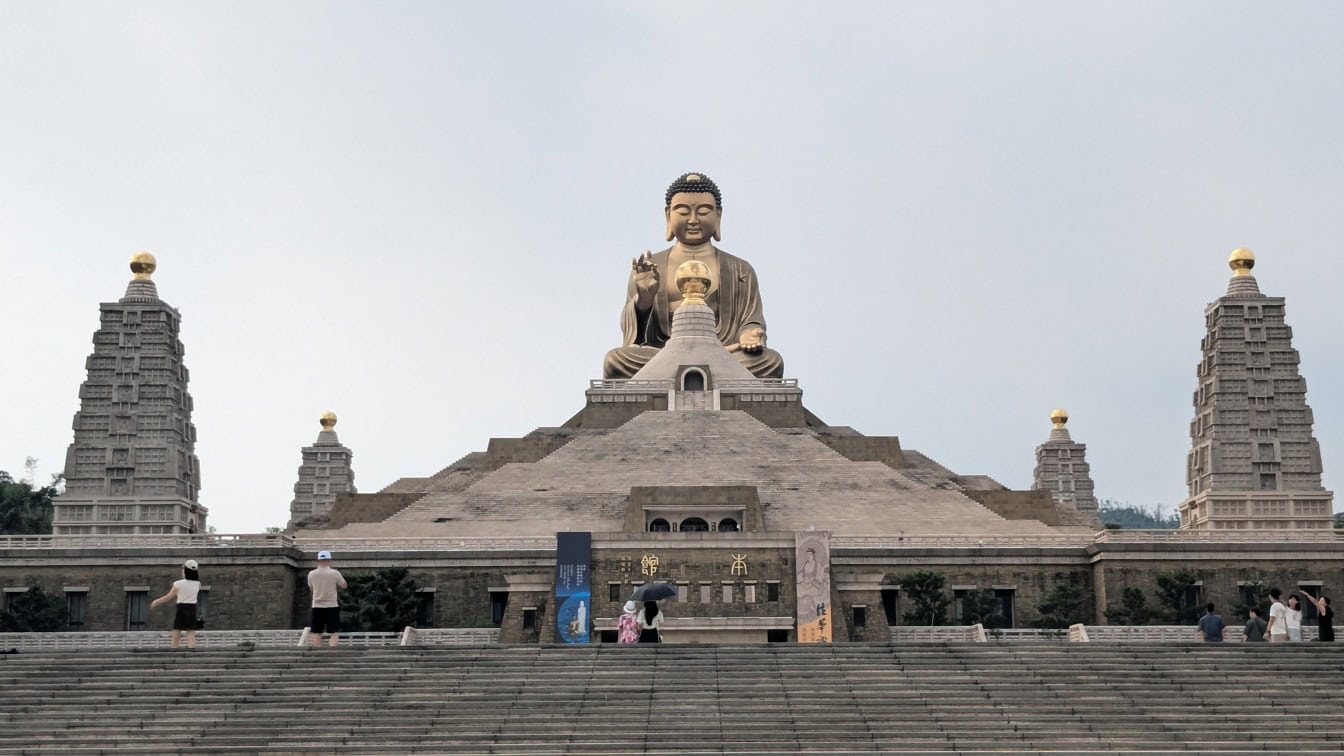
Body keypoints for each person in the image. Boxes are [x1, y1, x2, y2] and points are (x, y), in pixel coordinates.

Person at [603, 172, 784, 379]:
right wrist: (644, 300)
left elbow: (751, 319)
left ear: (718, 215)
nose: (693, 220)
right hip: (663, 355)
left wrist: (749, 334)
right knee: (615, 361)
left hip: (724, 353)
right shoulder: (651, 268)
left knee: (771, 362)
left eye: (704, 211)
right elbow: (636, 337)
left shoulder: (739, 269)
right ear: (668, 215)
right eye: (683, 211)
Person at [150, 559, 201, 649]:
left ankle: (175, 648)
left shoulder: (178, 584)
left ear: (186, 571)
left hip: (182, 607)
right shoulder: (198, 584)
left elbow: (168, 597)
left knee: (177, 629)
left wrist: (157, 601)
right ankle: (191, 649)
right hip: (192, 608)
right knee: (191, 631)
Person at [307, 550, 347, 647]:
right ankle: (331, 651)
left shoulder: (311, 574)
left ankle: (316, 653)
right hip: (332, 605)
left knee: (317, 631)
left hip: (317, 605)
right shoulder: (334, 573)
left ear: (318, 560)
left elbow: (311, 588)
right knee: (334, 631)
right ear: (329, 560)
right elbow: (344, 585)